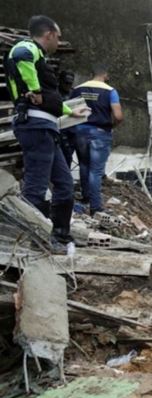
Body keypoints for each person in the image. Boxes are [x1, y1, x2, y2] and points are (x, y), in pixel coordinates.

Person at [6, 15, 89, 252]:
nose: (59, 42)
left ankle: (60, 235)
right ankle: (31, 239)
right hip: (35, 127)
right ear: (49, 34)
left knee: (64, 185)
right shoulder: (27, 48)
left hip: (46, 129)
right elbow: (20, 57)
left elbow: (51, 101)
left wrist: (71, 112)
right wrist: (33, 89)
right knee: (36, 186)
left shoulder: (39, 57)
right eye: (58, 37)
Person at [71, 64, 123, 215]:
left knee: (84, 165)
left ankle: (86, 197)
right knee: (96, 170)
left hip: (80, 131)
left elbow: (69, 111)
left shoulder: (77, 89)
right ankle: (95, 207)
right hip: (100, 132)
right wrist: (111, 126)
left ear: (91, 74)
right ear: (105, 75)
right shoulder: (110, 91)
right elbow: (118, 116)